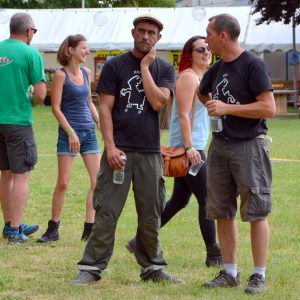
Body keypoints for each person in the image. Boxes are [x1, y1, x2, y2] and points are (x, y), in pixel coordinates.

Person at [71, 14, 184, 286]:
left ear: (158, 38)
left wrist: (145, 68)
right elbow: (106, 109)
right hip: (118, 152)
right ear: (133, 32)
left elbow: (159, 103)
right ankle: (91, 267)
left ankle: (153, 267)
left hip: (149, 152)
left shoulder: (165, 69)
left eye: (151, 32)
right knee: (107, 211)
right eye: (142, 31)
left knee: (151, 212)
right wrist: (110, 146)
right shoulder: (115, 66)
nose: (146, 36)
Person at [126, 36, 222, 267]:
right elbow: (182, 115)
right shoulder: (189, 78)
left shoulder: (201, 77)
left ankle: (138, 241)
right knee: (207, 199)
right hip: (189, 149)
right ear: (190, 53)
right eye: (201, 49)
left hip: (192, 146)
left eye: (208, 48)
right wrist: (189, 148)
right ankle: (214, 254)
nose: (207, 52)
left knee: (179, 200)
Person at [198, 14, 276, 294]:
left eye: (209, 34)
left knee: (256, 211)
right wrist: (211, 106)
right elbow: (201, 92)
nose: (205, 40)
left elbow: (269, 108)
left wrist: (227, 109)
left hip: (249, 146)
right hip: (220, 146)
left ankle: (258, 275)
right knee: (221, 211)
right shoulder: (216, 69)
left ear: (223, 36)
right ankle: (229, 272)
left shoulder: (253, 64)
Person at [37, 35, 101, 243]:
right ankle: (53, 229)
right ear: (70, 50)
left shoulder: (87, 72)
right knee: (63, 183)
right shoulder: (60, 75)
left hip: (89, 133)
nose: (87, 52)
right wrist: (70, 132)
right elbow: (55, 108)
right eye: (83, 48)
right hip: (68, 134)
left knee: (97, 181)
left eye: (87, 48)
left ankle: (89, 229)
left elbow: (89, 103)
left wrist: (100, 122)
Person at [0, 12, 46, 244]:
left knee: (5, 174)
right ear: (28, 31)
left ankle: (9, 224)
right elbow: (40, 94)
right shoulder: (31, 53)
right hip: (18, 122)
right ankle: (15, 230)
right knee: (21, 176)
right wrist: (31, 103)